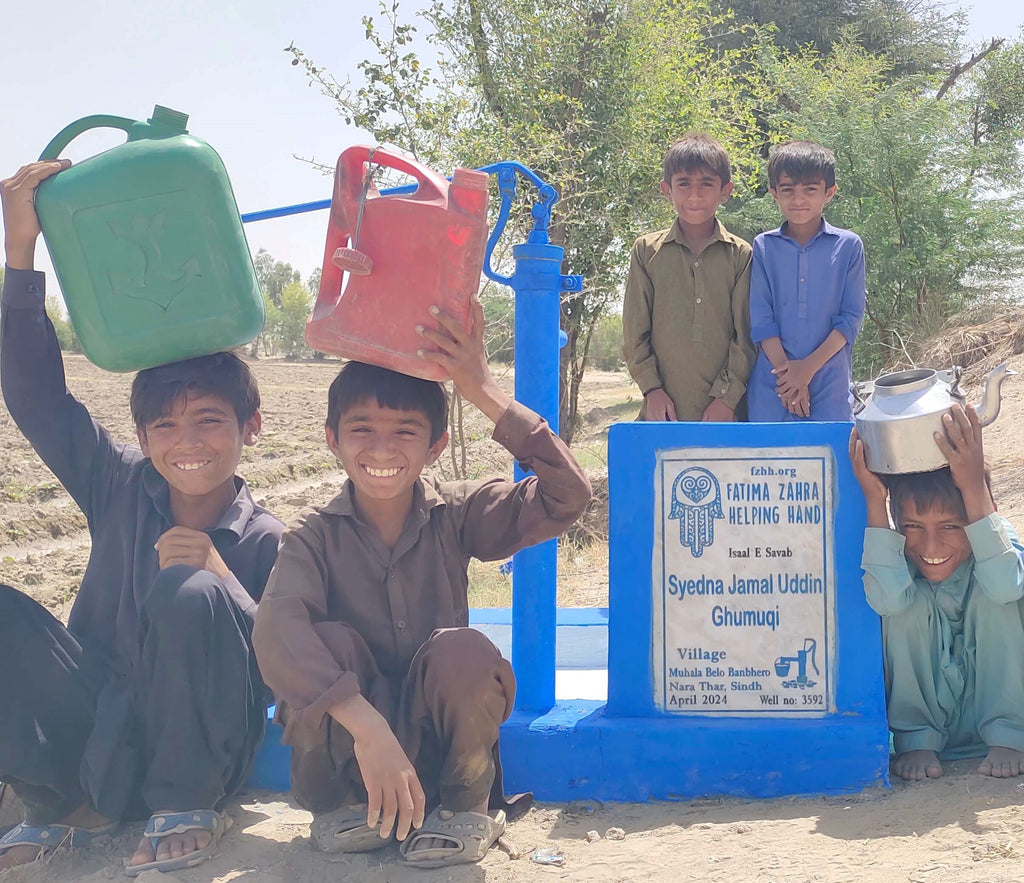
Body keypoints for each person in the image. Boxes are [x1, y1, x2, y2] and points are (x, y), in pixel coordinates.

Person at [0, 160, 284, 875]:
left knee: (189, 589)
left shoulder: (268, 537)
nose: (185, 442)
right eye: (165, 425)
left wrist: (220, 576)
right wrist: (22, 252)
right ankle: (52, 800)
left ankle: (185, 804)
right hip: (100, 721)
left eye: (208, 420)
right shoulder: (118, 482)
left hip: (199, 750)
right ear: (143, 435)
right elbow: (38, 400)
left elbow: (280, 668)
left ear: (251, 426)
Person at [252, 299, 591, 869]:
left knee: (464, 648)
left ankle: (466, 808)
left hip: (441, 753)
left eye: (405, 432)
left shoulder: (457, 513)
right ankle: (341, 805)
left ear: (435, 446)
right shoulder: (311, 536)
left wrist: (481, 388)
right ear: (333, 439)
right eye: (362, 430)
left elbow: (568, 497)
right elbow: (276, 632)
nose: (382, 450)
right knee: (321, 644)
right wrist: (365, 725)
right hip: (349, 759)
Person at [850, 404, 1024, 781]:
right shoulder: (898, 556)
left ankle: (1009, 734)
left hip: (999, 726)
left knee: (997, 597)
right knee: (905, 605)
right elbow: (888, 601)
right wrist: (875, 502)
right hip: (932, 736)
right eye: (912, 526)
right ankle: (917, 737)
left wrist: (972, 484)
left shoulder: (999, 539)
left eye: (949, 527)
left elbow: (1006, 585)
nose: (930, 545)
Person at [622, 133, 755, 422]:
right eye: (684, 184)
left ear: (725, 191)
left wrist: (726, 399)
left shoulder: (740, 255)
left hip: (725, 416)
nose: (694, 195)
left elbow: (745, 338)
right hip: (662, 413)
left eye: (706, 184)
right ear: (667, 190)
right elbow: (634, 334)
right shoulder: (647, 252)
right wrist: (652, 390)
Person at [748, 141, 865, 421]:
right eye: (788, 189)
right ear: (774, 193)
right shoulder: (764, 247)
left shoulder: (848, 246)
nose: (798, 199)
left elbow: (850, 319)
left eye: (810, 189)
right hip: (772, 386)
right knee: (768, 463)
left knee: (830, 460)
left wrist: (806, 370)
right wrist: (789, 380)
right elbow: (761, 319)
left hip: (829, 384)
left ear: (829, 193)